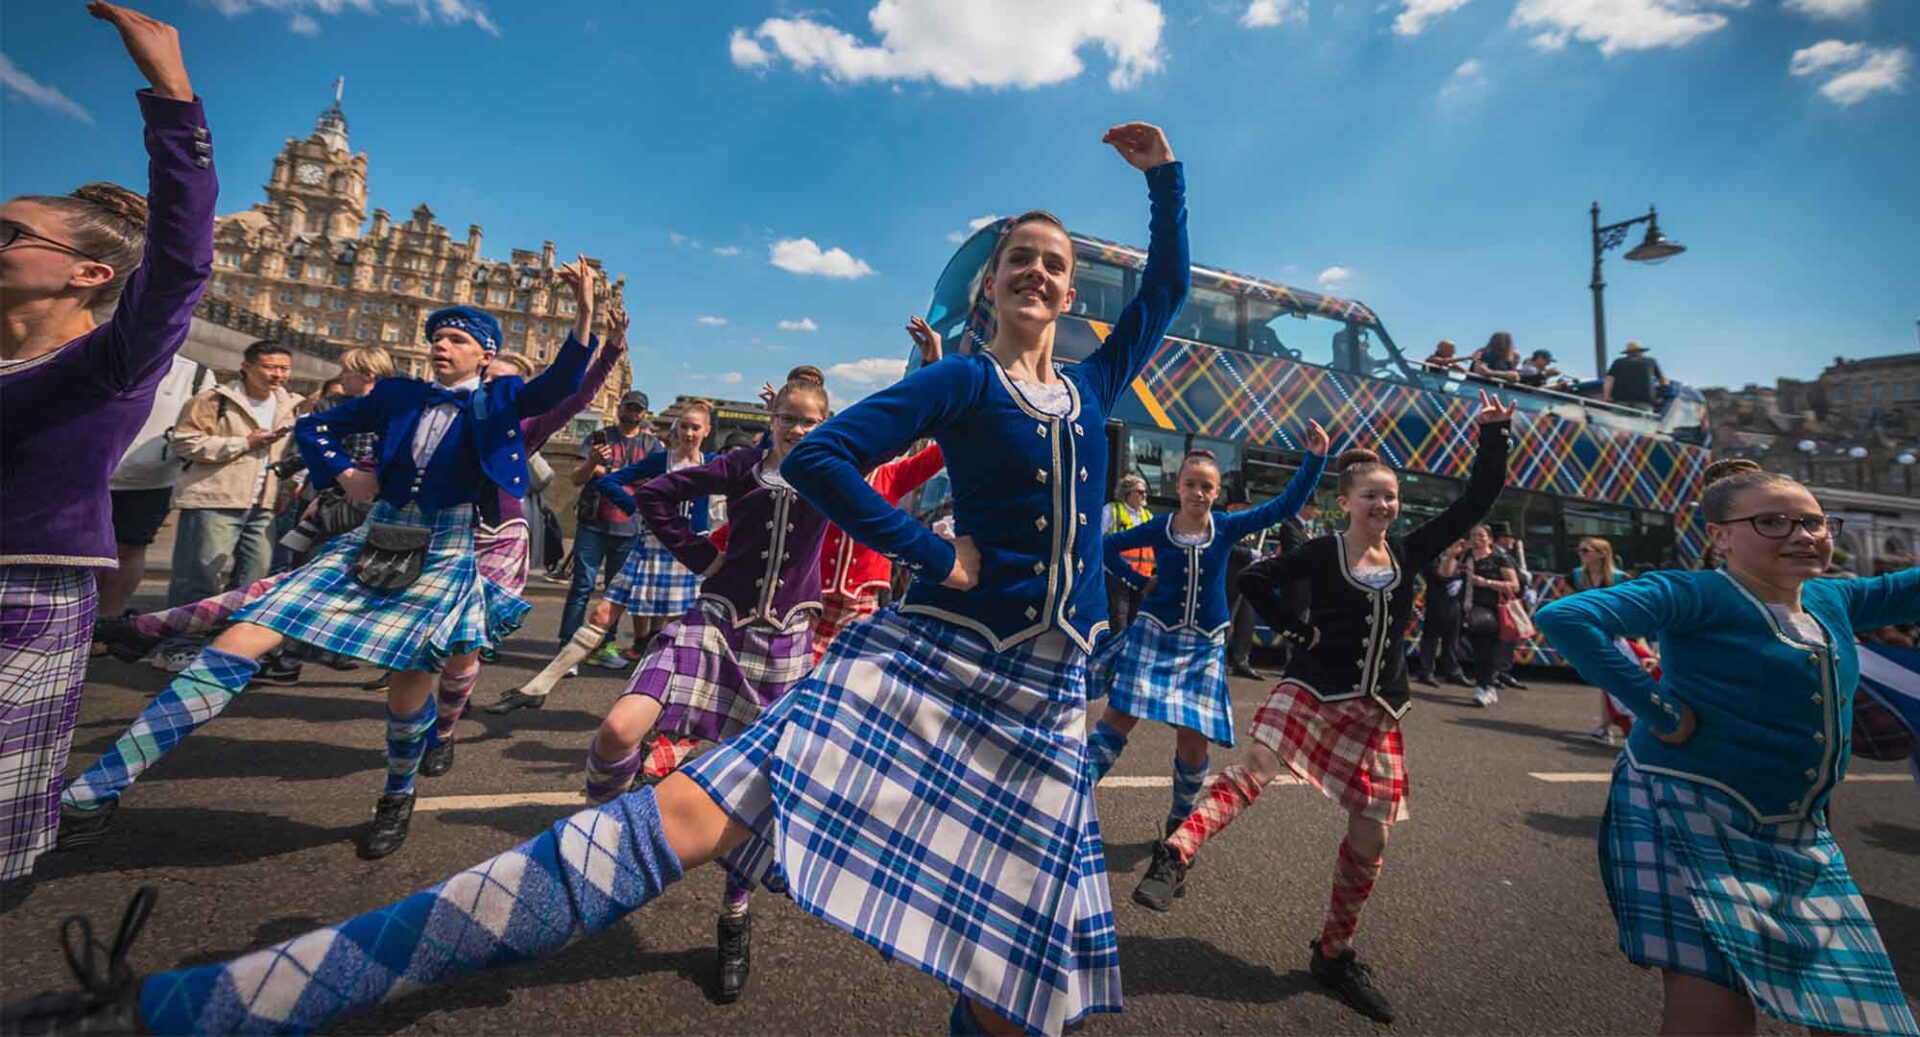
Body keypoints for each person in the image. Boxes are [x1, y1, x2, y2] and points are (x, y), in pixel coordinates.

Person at [3, 121, 1189, 1037]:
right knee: (667, 823)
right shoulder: (964, 383)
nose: (1038, 272)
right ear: (990, 289)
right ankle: (191, 1006)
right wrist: (936, 552)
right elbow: (825, 458)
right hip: (930, 666)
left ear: (1073, 292)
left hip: (1046, 704)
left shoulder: (1089, 389)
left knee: (1027, 981)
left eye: (1054, 263)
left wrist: (1165, 178)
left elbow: (1170, 291)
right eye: (1019, 260)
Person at [56, 283, 591, 860]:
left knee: (410, 690)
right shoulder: (398, 395)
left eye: (457, 340)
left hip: (445, 547)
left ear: (484, 355)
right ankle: (95, 792)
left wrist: (585, 318)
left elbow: (560, 385)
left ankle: (396, 794)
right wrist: (344, 476)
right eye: (437, 337)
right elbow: (315, 428)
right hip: (370, 537)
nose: (442, 346)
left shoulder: (501, 399)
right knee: (237, 642)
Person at [1130, 391, 1513, 1026]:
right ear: (1346, 503)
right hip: (1310, 689)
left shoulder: (1409, 552)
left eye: (1390, 496)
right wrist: (1297, 632)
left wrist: (1494, 436)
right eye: (1371, 495)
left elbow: (1476, 501)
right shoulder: (1320, 551)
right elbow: (1255, 582)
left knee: (1372, 833)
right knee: (1258, 761)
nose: (1383, 505)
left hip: (1377, 710)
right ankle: (1177, 852)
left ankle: (1333, 954)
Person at [1534, 466, 1920, 1037]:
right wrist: (1656, 707)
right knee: (1713, 1011)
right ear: (1720, 536)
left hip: (1799, 832)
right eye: (1773, 521)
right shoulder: (1697, 592)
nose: (1805, 534)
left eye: (1815, 522)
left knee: (1860, 1017)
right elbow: (1566, 616)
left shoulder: (1833, 598)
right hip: (1684, 810)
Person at [0, 1, 214, 891]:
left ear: (89, 272)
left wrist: (172, 97)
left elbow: (177, 267)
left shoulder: (106, 364)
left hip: (22, 584)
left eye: (9, 235)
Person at [579, 377, 832, 1003]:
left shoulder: (834, 472)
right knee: (620, 728)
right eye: (788, 419)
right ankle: (594, 841)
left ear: (826, 424)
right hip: (717, 621)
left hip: (786, 643)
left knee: (751, 791)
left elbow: (902, 466)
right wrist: (697, 556)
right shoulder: (741, 465)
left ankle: (735, 918)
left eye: (810, 421)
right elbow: (658, 493)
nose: (798, 430)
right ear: (771, 417)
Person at [1085, 429, 1328, 853]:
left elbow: (1286, 506)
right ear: (1178, 487)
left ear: (1216, 493)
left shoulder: (1229, 526)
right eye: (1191, 484)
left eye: (1207, 486)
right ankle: (1068, 802)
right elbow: (1104, 548)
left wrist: (1314, 459)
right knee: (1117, 718)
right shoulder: (1161, 527)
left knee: (1193, 738)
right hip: (1154, 635)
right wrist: (1139, 580)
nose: (1198, 492)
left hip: (1202, 646)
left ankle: (1180, 820)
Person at [484, 396, 716, 714]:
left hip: (688, 553)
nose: (689, 433)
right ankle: (539, 685)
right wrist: (639, 507)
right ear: (676, 428)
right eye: (685, 426)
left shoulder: (712, 463)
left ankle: (670, 710)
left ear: (706, 431)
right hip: (644, 545)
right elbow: (606, 481)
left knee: (680, 634)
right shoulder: (655, 458)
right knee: (597, 611)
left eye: (695, 428)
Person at [163, 339, 300, 605]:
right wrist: (244, 442)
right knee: (199, 575)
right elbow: (184, 441)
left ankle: (230, 633)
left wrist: (286, 487)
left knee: (255, 578)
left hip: (265, 505)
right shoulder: (214, 400)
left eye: (285, 368)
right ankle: (181, 636)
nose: (278, 375)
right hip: (215, 499)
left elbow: (290, 452)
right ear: (246, 367)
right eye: (270, 367)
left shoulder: (290, 404)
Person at [98, 353, 216, 619]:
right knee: (83, 550)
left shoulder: (196, 374)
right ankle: (79, 615)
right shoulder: (98, 352)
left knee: (128, 549)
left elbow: (203, 426)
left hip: (152, 480)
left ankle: (109, 618)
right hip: (87, 474)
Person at [561, 387, 661, 664]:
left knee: (616, 592)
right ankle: (567, 643)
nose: (632, 413)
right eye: (628, 407)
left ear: (644, 413)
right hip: (593, 521)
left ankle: (605, 646)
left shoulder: (652, 445)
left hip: (630, 525)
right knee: (582, 585)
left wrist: (608, 472)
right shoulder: (600, 437)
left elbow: (654, 482)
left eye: (637, 409)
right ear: (620, 408)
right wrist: (593, 461)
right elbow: (577, 478)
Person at [1571, 536, 1639, 744]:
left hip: (1616, 635)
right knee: (1605, 680)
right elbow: (1566, 602)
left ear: (1602, 554)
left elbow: (1630, 609)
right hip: (1590, 634)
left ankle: (1611, 725)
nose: (1580, 555)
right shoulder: (1576, 576)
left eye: (1586, 551)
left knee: (1612, 679)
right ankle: (1608, 725)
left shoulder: (1620, 579)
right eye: (1580, 551)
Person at [1461, 523, 1521, 706]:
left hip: (1494, 610)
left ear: (1490, 540)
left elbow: (1514, 585)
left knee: (1488, 649)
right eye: (1473, 536)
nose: (1476, 540)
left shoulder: (1499, 559)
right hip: (1468, 609)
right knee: (1478, 650)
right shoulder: (1466, 558)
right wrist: (1451, 555)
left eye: (1481, 536)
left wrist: (1486, 582)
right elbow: (1444, 574)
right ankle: (1488, 687)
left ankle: (1484, 687)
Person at [1411, 538, 1471, 687]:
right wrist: (1451, 556)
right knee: (1431, 639)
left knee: (1452, 640)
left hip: (1455, 604)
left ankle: (1452, 672)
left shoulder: (1464, 557)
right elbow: (1441, 575)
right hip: (1436, 602)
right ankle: (1426, 672)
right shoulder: (1433, 556)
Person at [1104, 473, 1154, 632]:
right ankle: (1115, 653)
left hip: (1142, 578)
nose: (1144, 495)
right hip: (1118, 576)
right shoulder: (1112, 511)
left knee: (1136, 621)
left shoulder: (1148, 516)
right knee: (1118, 620)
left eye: (1145, 491)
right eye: (1140, 491)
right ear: (1127, 494)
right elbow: (1098, 540)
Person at [1488, 520, 1532, 692]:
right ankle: (1494, 674)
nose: (1512, 540)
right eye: (1509, 537)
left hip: (1514, 601)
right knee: (1501, 639)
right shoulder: (1496, 555)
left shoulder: (1507, 555)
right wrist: (1522, 579)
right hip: (1501, 601)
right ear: (1500, 539)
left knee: (1510, 639)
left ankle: (1503, 671)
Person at [1603, 340, 1668, 409]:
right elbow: (1663, 380)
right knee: (1644, 419)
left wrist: (1606, 397)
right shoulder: (1651, 361)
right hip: (1644, 401)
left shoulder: (1618, 362)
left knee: (1617, 419)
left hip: (1621, 401)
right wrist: (1661, 396)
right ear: (1641, 352)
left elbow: (1609, 380)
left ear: (1627, 353)